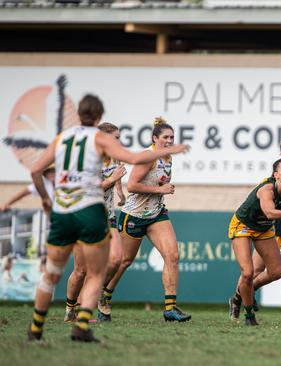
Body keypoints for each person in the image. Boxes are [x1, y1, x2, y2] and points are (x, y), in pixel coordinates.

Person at [27, 94, 189, 342]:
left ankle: (36, 328)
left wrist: (46, 199)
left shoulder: (62, 138)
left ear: (77, 114)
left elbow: (36, 170)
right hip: (91, 211)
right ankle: (80, 323)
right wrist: (171, 151)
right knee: (96, 269)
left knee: (52, 272)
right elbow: (134, 159)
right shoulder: (99, 139)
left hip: (63, 210)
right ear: (100, 116)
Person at [107, 117, 191, 322]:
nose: (170, 141)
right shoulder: (148, 156)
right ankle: (104, 295)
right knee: (124, 261)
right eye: (165, 137)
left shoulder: (168, 158)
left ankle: (170, 308)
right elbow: (132, 186)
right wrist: (160, 189)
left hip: (156, 214)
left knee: (172, 255)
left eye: (172, 137)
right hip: (134, 215)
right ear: (155, 138)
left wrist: (160, 192)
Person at [229, 138, 281, 319]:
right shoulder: (270, 185)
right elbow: (272, 211)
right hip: (263, 228)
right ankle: (238, 298)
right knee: (250, 272)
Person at [63, 122, 126, 323]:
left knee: (116, 259)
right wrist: (112, 180)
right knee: (81, 270)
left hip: (107, 218)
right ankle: (70, 309)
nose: (119, 141)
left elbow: (115, 175)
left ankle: (97, 294)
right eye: (116, 137)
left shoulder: (116, 157)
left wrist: (119, 190)